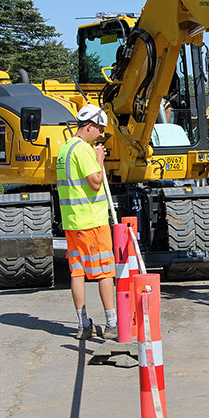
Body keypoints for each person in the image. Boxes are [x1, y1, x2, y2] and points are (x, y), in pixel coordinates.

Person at [56, 104, 118, 340]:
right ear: (89, 126)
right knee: (104, 271)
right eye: (99, 129)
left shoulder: (65, 149)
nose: (100, 134)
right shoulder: (83, 150)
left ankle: (83, 324)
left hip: (72, 222)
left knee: (77, 272)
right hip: (92, 222)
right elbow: (95, 182)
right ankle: (112, 323)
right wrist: (99, 159)